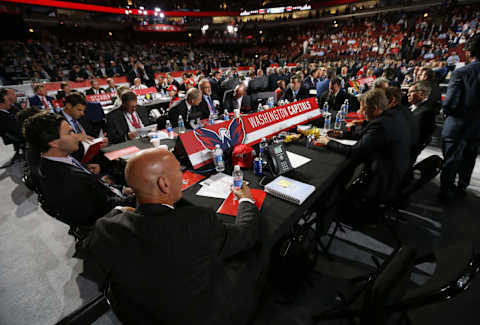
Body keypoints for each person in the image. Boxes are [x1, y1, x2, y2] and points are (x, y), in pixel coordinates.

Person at [78, 148, 261, 325]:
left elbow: (87, 248)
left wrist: (118, 210)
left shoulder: (107, 226)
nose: (182, 177)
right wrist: (246, 200)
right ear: (164, 184)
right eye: (179, 172)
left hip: (134, 314)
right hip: (197, 315)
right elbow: (246, 234)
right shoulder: (198, 221)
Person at [22, 112, 134, 226]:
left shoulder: (48, 162)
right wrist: (138, 196)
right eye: (70, 132)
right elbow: (107, 206)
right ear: (54, 143)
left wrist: (121, 189)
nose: (76, 136)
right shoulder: (72, 179)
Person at [315, 89, 412, 221]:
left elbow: (354, 152)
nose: (360, 113)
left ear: (375, 108)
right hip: (398, 171)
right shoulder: (391, 115)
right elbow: (368, 134)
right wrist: (342, 134)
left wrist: (328, 142)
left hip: (383, 179)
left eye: (363, 109)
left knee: (339, 176)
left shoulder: (381, 125)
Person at [440, 34, 480, 200]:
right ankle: (462, 186)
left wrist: (446, 112)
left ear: (470, 52)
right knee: (469, 159)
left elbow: (450, 103)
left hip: (457, 126)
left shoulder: (462, 72)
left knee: (451, 161)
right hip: (477, 128)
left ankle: (446, 193)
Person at [407, 81, 436, 154]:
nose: (408, 94)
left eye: (411, 92)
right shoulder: (412, 107)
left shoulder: (426, 112)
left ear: (422, 93)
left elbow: (419, 137)